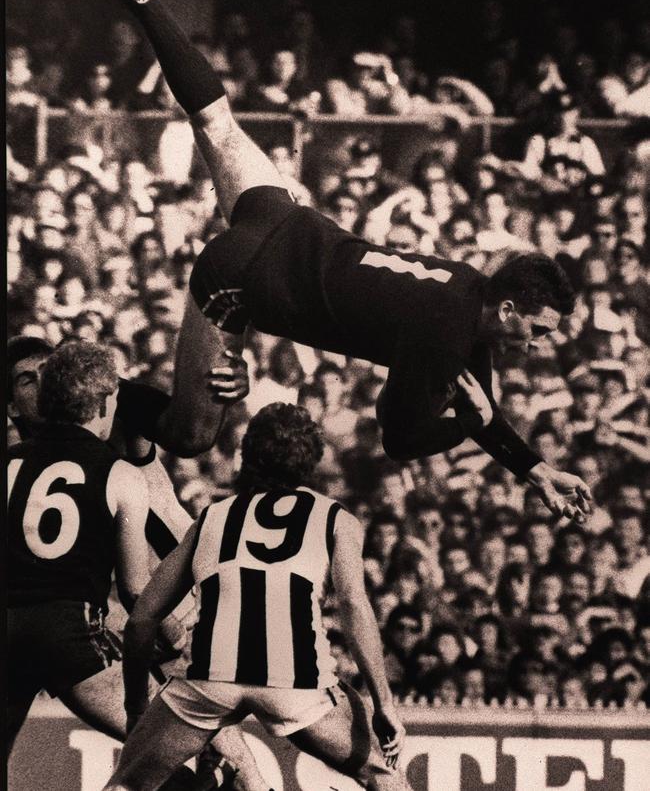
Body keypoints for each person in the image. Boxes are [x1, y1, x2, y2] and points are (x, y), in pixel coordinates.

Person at [74, 0, 592, 523]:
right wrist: (459, 432)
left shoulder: (467, 291)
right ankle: (89, 399)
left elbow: (480, 401)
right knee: (190, 435)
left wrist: (533, 469)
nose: (540, 343)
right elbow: (399, 439)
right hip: (239, 278)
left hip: (283, 216)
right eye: (540, 328)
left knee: (215, 120)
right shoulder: (447, 334)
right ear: (509, 311)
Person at [100, 403, 410, 791]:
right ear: (312, 460)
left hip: (209, 680)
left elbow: (143, 618)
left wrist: (136, 709)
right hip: (297, 685)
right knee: (383, 775)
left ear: (247, 456)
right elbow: (353, 606)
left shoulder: (213, 517)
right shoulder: (335, 518)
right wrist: (384, 704)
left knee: (125, 785)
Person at [7, 336, 266, 790]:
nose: (48, 382)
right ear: (10, 405)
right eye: (30, 379)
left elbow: (191, 432)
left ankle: (252, 781)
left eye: (51, 371)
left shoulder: (105, 399)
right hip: (95, 607)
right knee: (165, 748)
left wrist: (221, 388)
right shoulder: (35, 446)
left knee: (198, 738)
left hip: (175, 586)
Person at [7, 342, 151, 753]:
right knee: (169, 737)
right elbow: (135, 590)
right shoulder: (118, 472)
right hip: (70, 631)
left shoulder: (9, 463)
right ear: (104, 406)